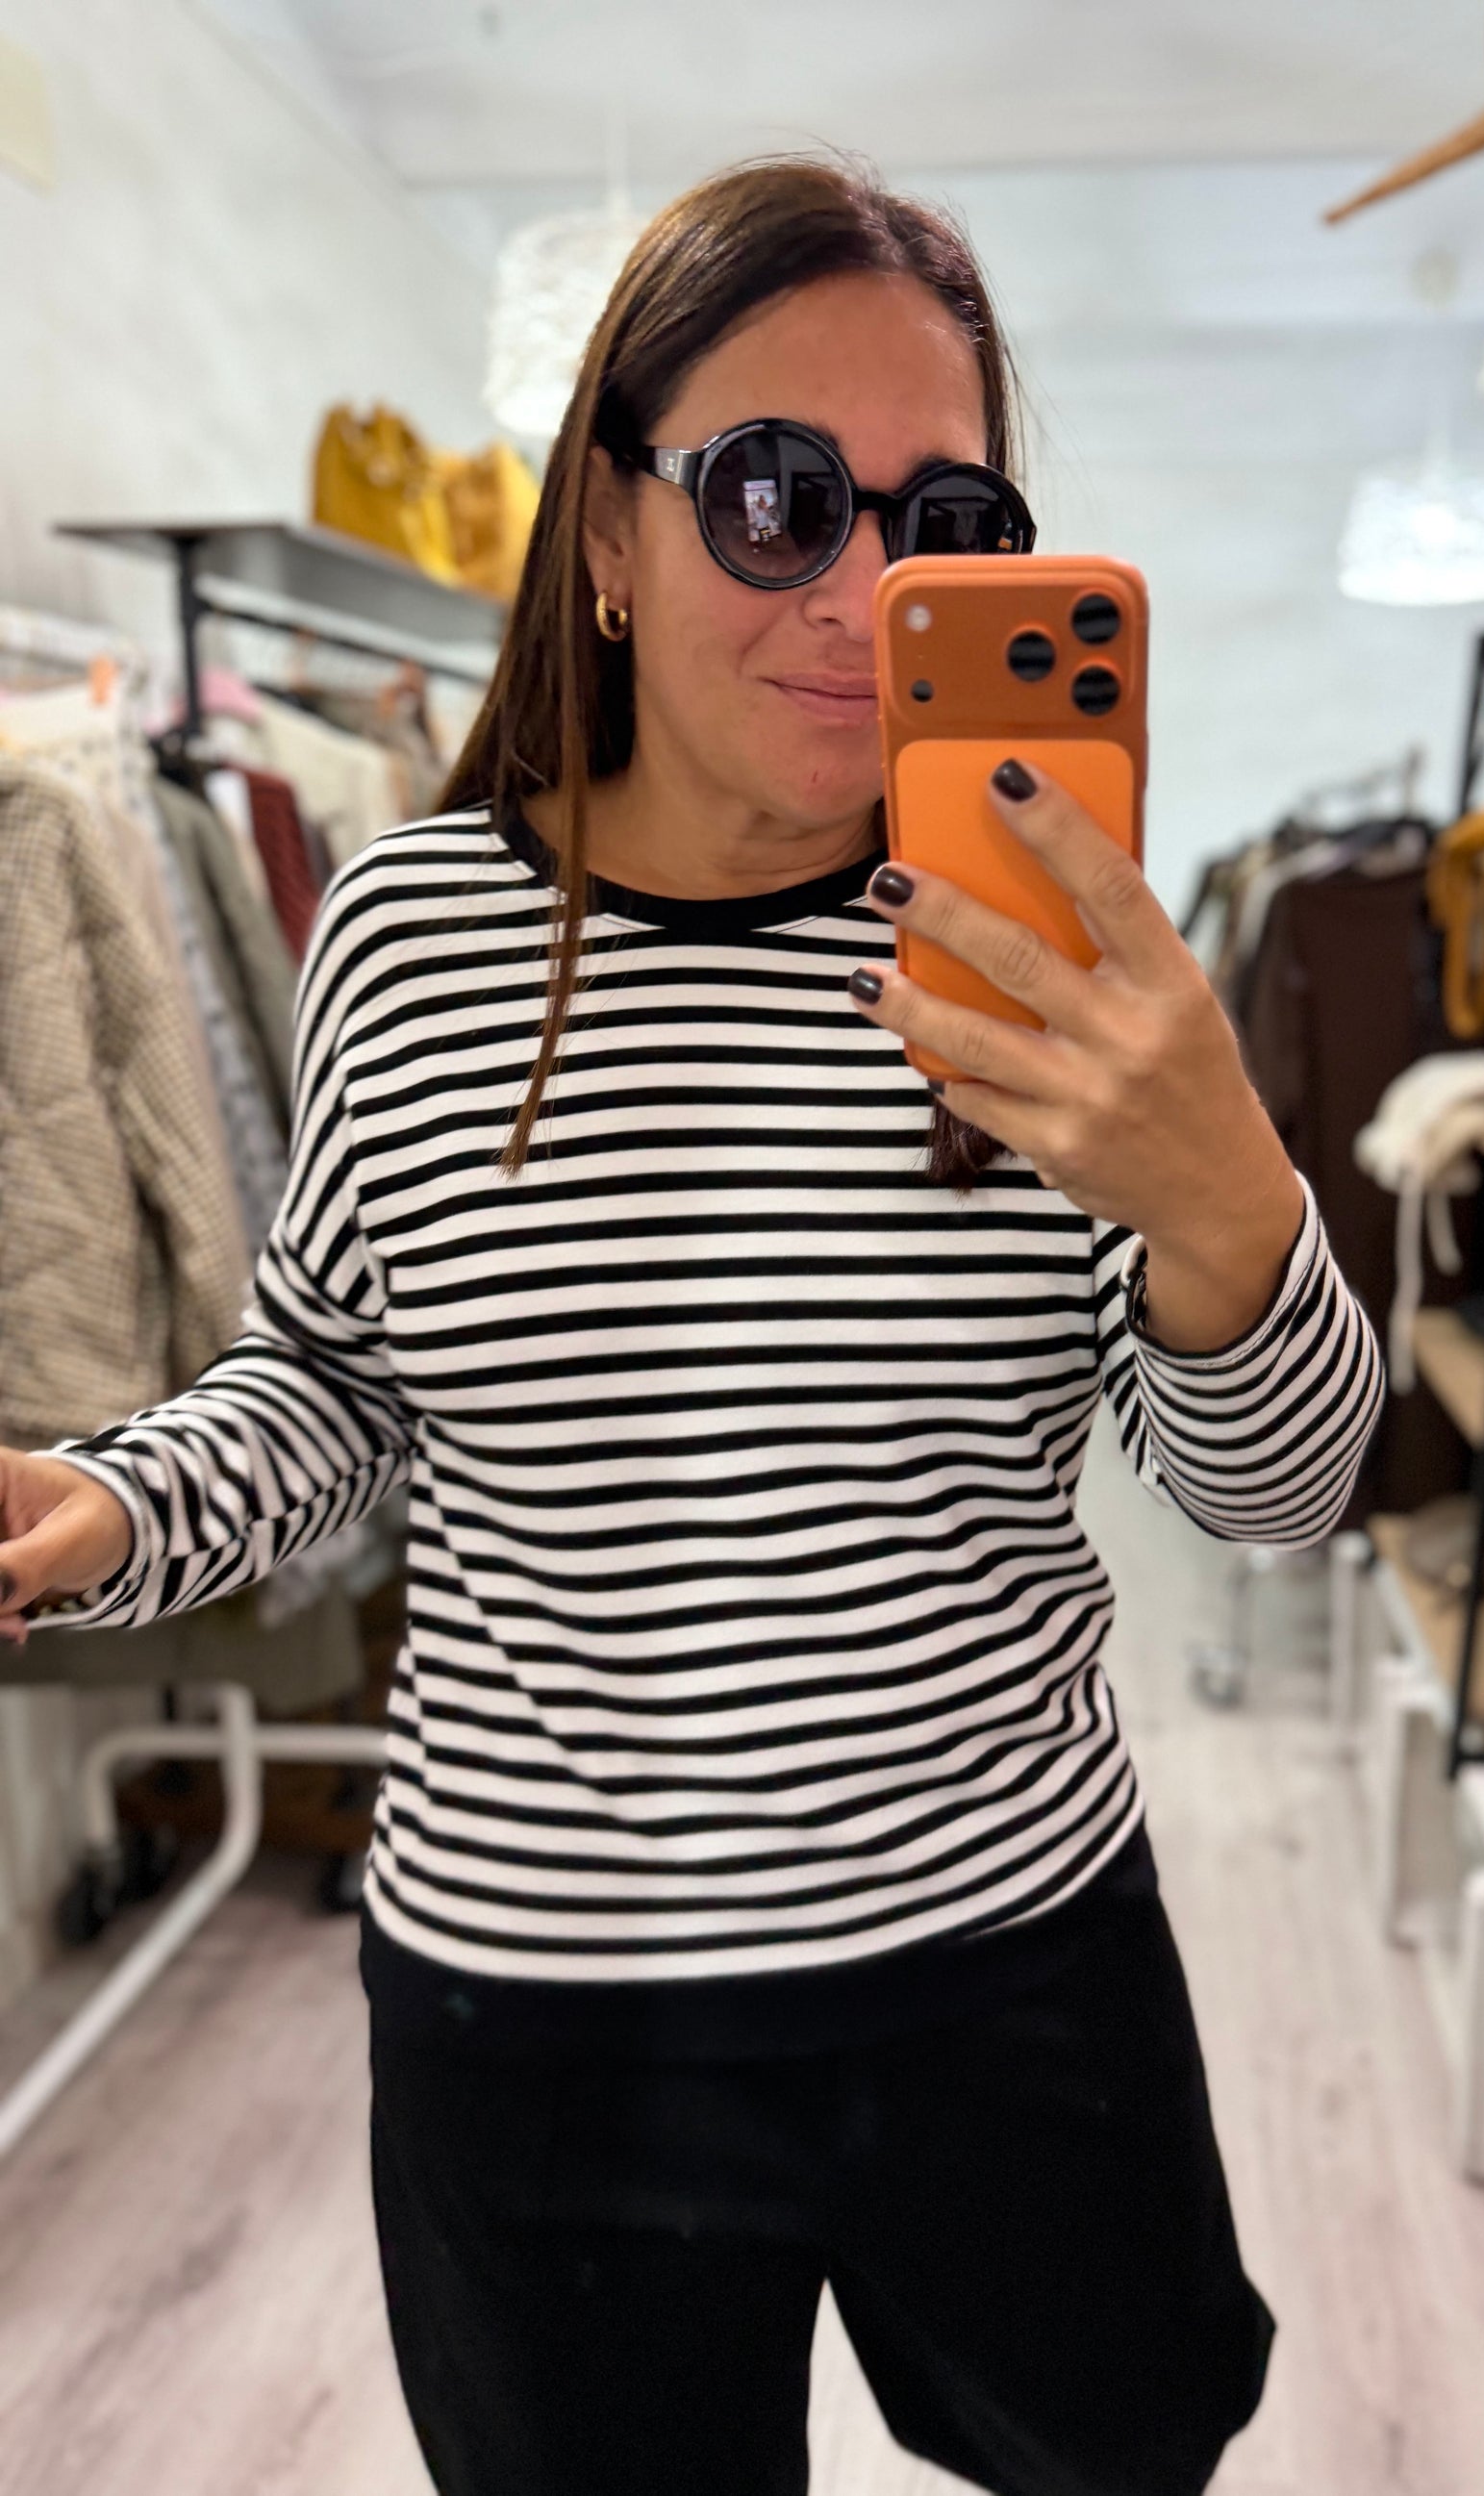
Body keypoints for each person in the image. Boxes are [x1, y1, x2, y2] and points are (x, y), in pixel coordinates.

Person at [0, 158, 1381, 2496]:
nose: (862, 590)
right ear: (610, 538)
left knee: (1118, 2449)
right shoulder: (414, 936)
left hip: (1009, 1952)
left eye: (942, 521)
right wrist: (114, 1504)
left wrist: (1235, 1205)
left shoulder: (1047, 962)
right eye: (773, 496)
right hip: (547, 2006)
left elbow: (1275, 1494)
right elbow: (337, 1379)